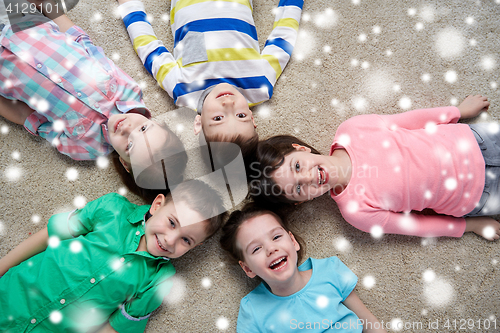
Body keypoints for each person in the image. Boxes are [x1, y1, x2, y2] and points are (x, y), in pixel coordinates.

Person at [250, 95, 500, 241]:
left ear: (300, 148)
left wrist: (457, 111)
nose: (308, 177)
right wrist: (469, 227)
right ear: (301, 201)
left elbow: (412, 120)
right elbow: (416, 226)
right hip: (476, 196)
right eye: (298, 188)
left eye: (297, 166)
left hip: (473, 140)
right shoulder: (356, 212)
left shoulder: (352, 130)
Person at [0, 8, 188, 198]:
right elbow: (85, 45)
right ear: (158, 122)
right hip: (28, 24)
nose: (127, 129)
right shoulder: (129, 90)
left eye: (129, 147)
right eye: (143, 130)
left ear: (124, 163)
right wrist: (50, 8)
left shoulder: (86, 148)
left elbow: (27, 117)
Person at [0, 179, 226, 332]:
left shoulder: (160, 280)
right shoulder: (112, 208)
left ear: (196, 246)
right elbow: (49, 234)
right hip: (12, 294)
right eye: (172, 223)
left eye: (186, 240)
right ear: (158, 205)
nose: (170, 240)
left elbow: (116, 328)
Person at [117, 0, 304, 145]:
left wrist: (130, 8)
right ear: (252, 118)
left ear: (198, 123)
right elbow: (283, 39)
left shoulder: (184, 91)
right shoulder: (260, 85)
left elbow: (150, 50)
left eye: (218, 118)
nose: (229, 104)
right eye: (240, 116)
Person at [220, 205, 386, 333]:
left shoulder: (329, 271)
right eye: (256, 249)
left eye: (276, 237)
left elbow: (370, 323)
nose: (271, 249)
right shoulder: (253, 308)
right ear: (248, 268)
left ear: (293, 241)